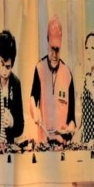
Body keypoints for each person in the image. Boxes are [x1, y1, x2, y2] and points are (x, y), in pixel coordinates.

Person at [28, 16, 76, 145]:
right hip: (44, 144)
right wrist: (35, 110)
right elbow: (33, 98)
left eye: (57, 50)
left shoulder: (67, 74)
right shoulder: (39, 68)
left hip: (62, 146)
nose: (54, 55)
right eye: (52, 49)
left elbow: (72, 119)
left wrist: (70, 128)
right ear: (47, 43)